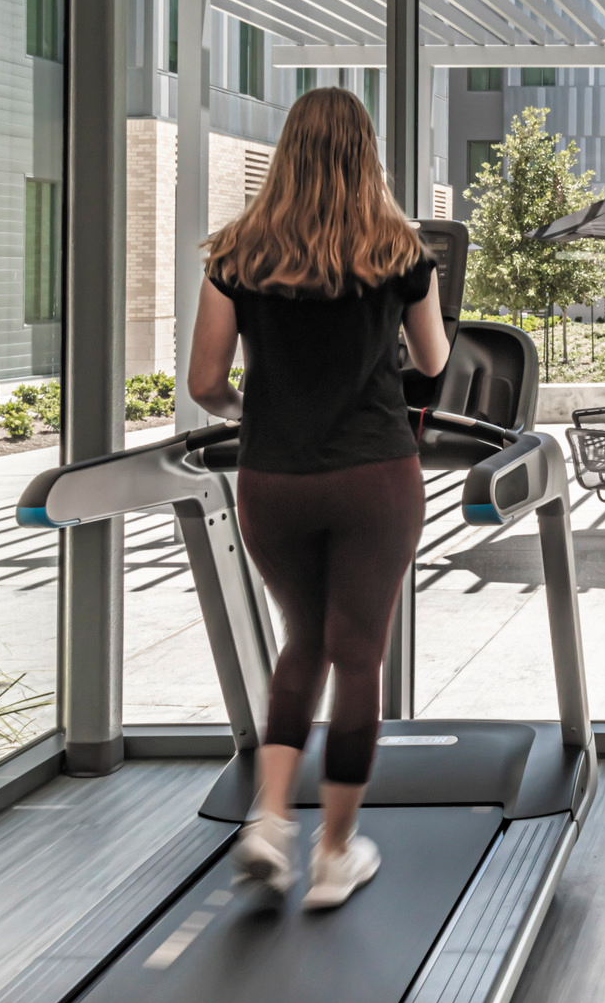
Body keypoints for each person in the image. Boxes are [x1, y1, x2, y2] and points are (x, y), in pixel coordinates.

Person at [187, 86, 449, 911]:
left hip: (273, 479)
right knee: (359, 654)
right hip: (375, 474)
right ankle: (335, 854)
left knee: (302, 640)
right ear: (364, 154)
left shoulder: (235, 253)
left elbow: (204, 385)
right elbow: (434, 363)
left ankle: (270, 820)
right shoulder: (399, 251)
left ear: (287, 151)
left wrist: (254, 411)